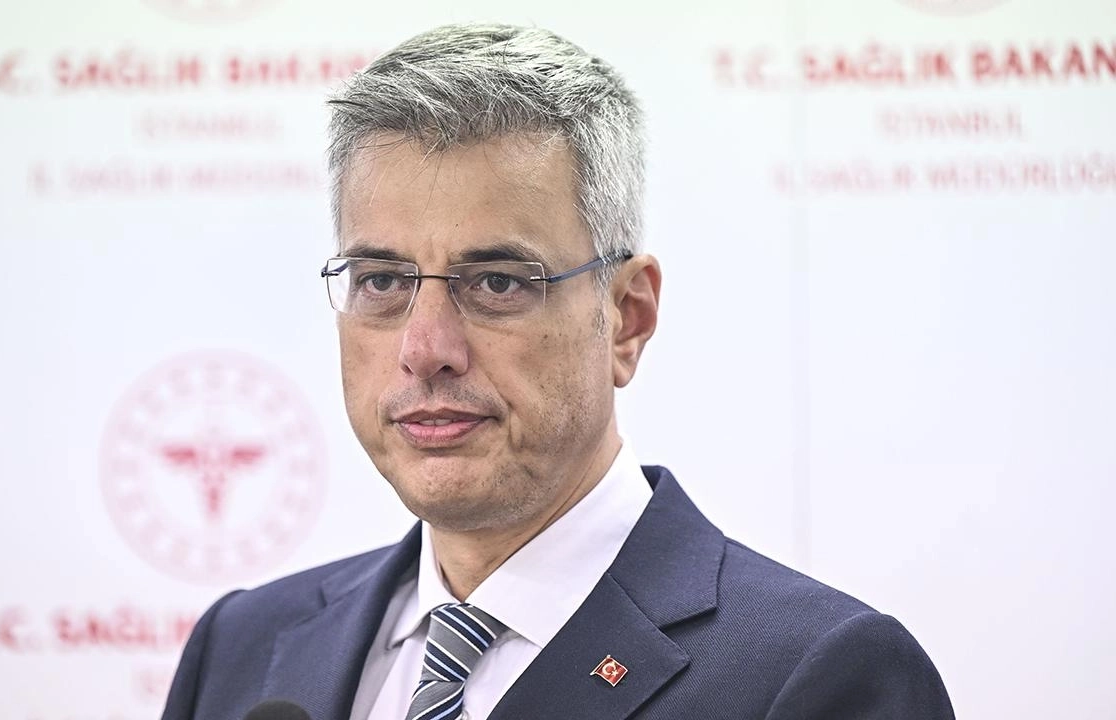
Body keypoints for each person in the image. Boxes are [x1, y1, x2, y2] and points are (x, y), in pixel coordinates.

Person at [162, 23, 954, 720]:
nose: (425, 347)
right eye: (382, 281)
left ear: (627, 318)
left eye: (497, 282)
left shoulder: (816, 677)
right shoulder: (242, 648)